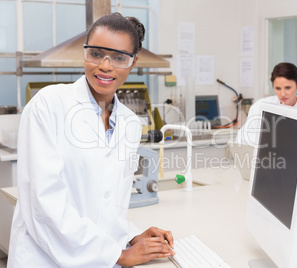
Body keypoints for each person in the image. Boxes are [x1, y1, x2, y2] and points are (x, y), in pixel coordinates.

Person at [8, 13, 175, 267]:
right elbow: (44, 207)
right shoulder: (48, 105)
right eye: (96, 54)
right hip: (44, 259)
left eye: (119, 58)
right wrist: (118, 255)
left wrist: (130, 237)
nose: (105, 66)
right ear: (84, 52)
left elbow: (108, 204)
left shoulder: (130, 124)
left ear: (133, 62)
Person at [236, 62, 297, 145]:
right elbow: (242, 138)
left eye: (287, 88)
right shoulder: (260, 106)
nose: (283, 94)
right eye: (278, 88)